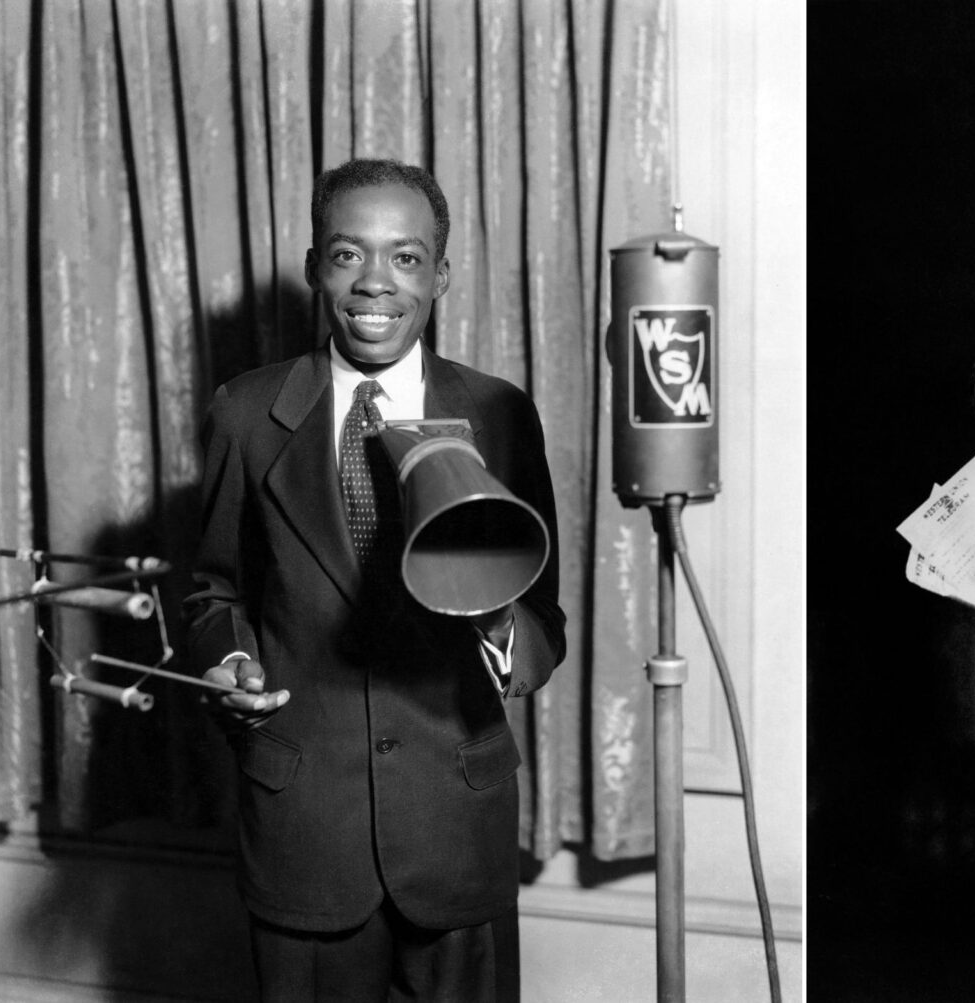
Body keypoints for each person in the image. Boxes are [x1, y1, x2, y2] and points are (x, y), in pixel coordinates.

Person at [184, 158, 565, 1002]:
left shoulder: (500, 413)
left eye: (405, 257)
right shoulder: (246, 412)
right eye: (350, 255)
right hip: (303, 832)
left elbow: (543, 626)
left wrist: (492, 609)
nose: (375, 284)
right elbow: (211, 591)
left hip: (455, 829)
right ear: (318, 265)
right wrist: (228, 662)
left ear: (441, 274)